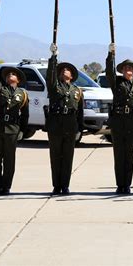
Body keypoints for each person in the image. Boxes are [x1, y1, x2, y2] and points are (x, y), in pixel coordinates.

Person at [106, 43, 133, 194]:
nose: (128, 70)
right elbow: (109, 72)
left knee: (129, 154)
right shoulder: (116, 82)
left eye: (130, 68)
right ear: (122, 70)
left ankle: (127, 184)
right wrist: (110, 55)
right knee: (118, 153)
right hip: (118, 121)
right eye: (125, 68)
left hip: (132, 122)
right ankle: (120, 184)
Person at [0, 51, 29, 195]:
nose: (10, 75)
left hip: (12, 129)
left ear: (18, 79)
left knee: (9, 160)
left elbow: (25, 115)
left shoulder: (22, 94)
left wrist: (22, 131)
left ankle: (6, 186)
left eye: (13, 74)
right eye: (7, 74)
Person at [46, 43, 84, 195]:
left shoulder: (77, 91)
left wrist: (80, 129)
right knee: (55, 156)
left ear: (72, 75)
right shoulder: (54, 87)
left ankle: (65, 185)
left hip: (70, 125)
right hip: (55, 124)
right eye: (62, 70)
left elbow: (80, 112)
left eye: (67, 70)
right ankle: (56, 185)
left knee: (68, 157)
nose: (64, 72)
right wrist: (53, 57)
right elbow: (50, 75)